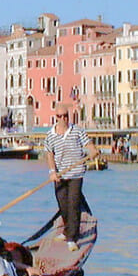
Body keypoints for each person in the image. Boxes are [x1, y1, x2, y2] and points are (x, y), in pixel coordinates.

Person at [44, 104, 100, 252]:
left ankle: (72, 238)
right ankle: (67, 230)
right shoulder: (50, 135)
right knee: (63, 204)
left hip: (76, 173)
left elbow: (89, 145)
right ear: (56, 117)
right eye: (60, 116)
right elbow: (50, 154)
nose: (64, 118)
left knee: (73, 204)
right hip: (60, 174)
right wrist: (52, 171)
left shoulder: (77, 131)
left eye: (66, 115)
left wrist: (93, 151)